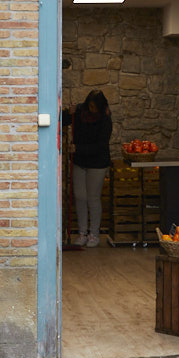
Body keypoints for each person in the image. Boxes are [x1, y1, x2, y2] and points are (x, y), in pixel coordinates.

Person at [71, 90, 112, 247]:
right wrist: (69, 112)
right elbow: (66, 119)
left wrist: (78, 149)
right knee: (80, 196)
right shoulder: (81, 112)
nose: (92, 109)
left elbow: (101, 146)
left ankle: (94, 234)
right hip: (80, 161)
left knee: (93, 198)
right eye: (90, 106)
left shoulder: (105, 119)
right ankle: (82, 232)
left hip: (97, 162)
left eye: (95, 107)